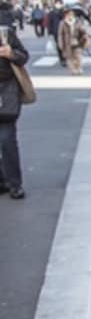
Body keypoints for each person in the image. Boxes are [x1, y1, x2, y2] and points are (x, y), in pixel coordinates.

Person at [0, 20, 29, 199]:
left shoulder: (5, 33)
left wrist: (11, 54)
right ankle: (2, 180)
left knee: (6, 139)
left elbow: (24, 56)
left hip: (6, 92)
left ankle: (14, 183)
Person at [58, 9, 88, 74]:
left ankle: (79, 68)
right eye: (69, 14)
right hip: (67, 42)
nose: (70, 16)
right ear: (66, 15)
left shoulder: (77, 22)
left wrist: (83, 30)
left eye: (72, 14)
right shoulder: (62, 23)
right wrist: (60, 44)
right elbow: (60, 35)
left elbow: (83, 31)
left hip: (77, 42)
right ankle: (73, 70)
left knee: (78, 56)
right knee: (69, 57)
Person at [47, 0, 65, 66]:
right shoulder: (51, 13)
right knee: (59, 45)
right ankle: (62, 58)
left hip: (64, 31)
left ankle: (65, 57)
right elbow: (49, 23)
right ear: (55, 4)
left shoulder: (64, 12)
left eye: (60, 3)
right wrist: (50, 32)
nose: (58, 5)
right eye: (57, 3)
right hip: (56, 31)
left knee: (65, 45)